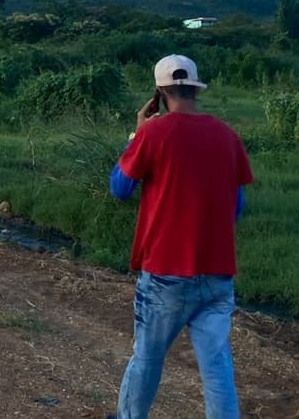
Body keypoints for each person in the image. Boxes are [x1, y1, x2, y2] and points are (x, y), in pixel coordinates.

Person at [107, 54, 252, 419]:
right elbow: (237, 206)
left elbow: (120, 188)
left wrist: (136, 136)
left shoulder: (153, 133)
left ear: (159, 92)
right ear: (195, 88)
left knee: (147, 359)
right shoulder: (226, 135)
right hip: (218, 272)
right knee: (216, 365)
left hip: (166, 273)